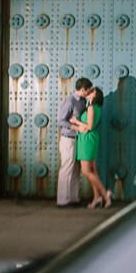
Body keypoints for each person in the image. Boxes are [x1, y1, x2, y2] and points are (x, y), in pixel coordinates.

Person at [72, 87, 112, 209]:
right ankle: (96, 198)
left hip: (87, 140)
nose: (88, 93)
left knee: (86, 171)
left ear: (95, 95)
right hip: (90, 139)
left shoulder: (91, 107)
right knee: (93, 170)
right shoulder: (96, 107)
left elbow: (89, 126)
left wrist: (75, 123)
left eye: (91, 91)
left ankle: (105, 196)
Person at [56, 77, 93, 207]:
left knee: (76, 169)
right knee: (67, 168)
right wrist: (77, 127)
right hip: (68, 139)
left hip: (78, 139)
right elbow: (61, 120)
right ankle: (63, 200)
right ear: (82, 89)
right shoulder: (70, 101)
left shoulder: (83, 101)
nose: (88, 92)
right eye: (87, 90)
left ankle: (74, 198)